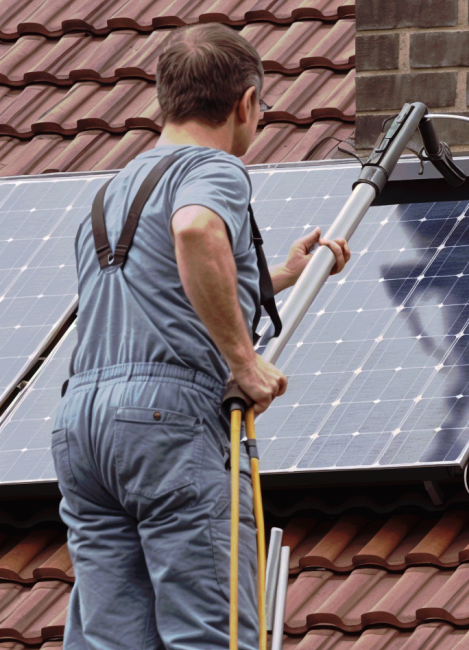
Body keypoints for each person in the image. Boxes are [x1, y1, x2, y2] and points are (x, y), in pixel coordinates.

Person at [51, 23, 350, 649]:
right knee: (210, 632)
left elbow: (162, 284)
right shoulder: (214, 168)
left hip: (83, 427)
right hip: (167, 422)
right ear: (245, 104)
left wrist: (278, 277)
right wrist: (243, 362)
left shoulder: (112, 190)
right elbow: (193, 232)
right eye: (262, 107)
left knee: (112, 638)